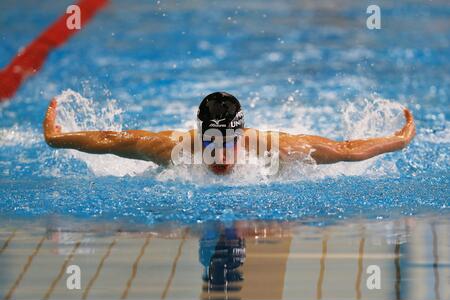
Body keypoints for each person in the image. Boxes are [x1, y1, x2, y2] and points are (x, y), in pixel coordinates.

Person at [43, 91, 416, 175]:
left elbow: (347, 150)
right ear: (199, 133)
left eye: (228, 142)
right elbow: (113, 141)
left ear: (243, 134)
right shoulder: (173, 148)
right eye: (212, 142)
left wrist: (398, 141)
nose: (221, 154)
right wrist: (57, 138)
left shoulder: (276, 150)